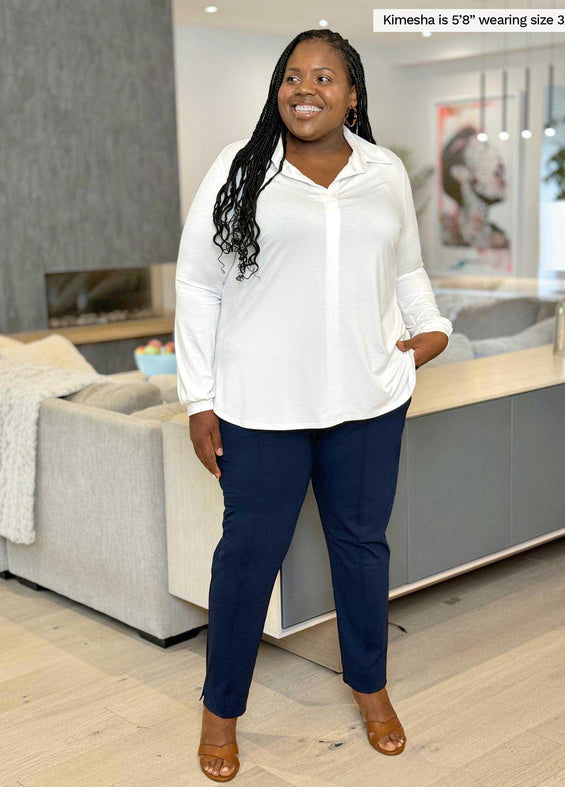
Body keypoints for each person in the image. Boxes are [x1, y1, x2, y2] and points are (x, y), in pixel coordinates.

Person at [174, 29, 452, 782]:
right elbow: (198, 285)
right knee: (247, 560)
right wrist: (199, 397)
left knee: (362, 551)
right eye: (293, 76)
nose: (305, 89)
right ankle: (220, 710)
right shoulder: (240, 169)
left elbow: (407, 267)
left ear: (353, 93)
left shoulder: (383, 171)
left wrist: (433, 329)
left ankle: (371, 688)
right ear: (277, 88)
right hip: (261, 408)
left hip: (366, 399)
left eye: (324, 77)